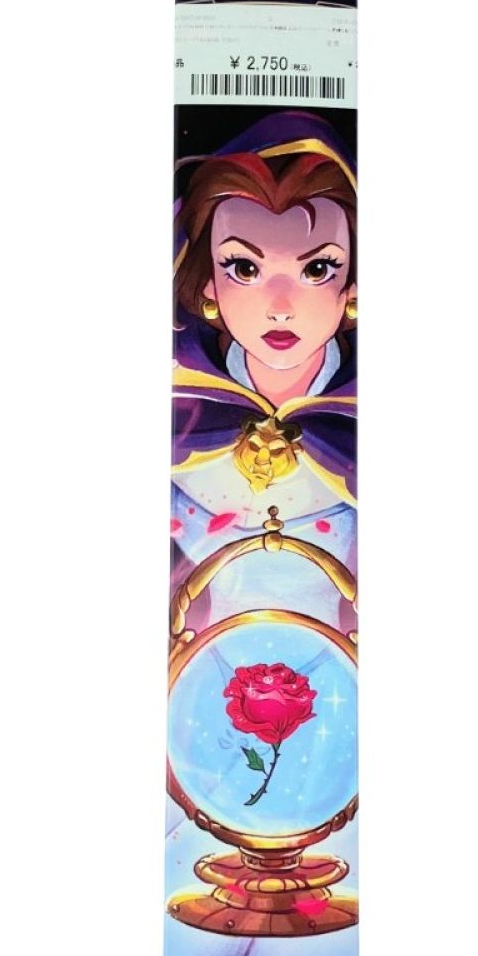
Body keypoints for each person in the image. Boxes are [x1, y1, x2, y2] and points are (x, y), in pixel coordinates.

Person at [170, 112, 358, 627]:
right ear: (208, 283)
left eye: (316, 268)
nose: (280, 308)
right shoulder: (184, 409)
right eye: (245, 268)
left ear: (353, 286)